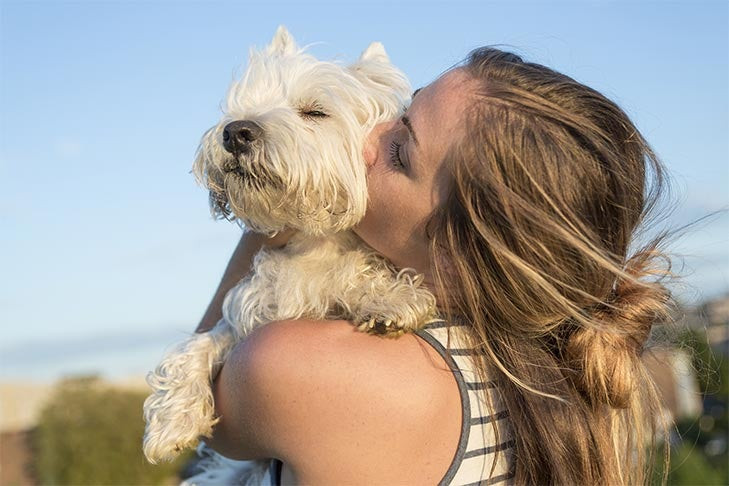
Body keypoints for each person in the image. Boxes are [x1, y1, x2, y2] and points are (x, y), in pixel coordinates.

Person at [196, 47, 672, 485]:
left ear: (457, 254)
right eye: (399, 115)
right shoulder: (545, 380)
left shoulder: (301, 366)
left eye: (399, 152)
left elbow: (203, 409)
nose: (367, 141)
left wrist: (271, 214)